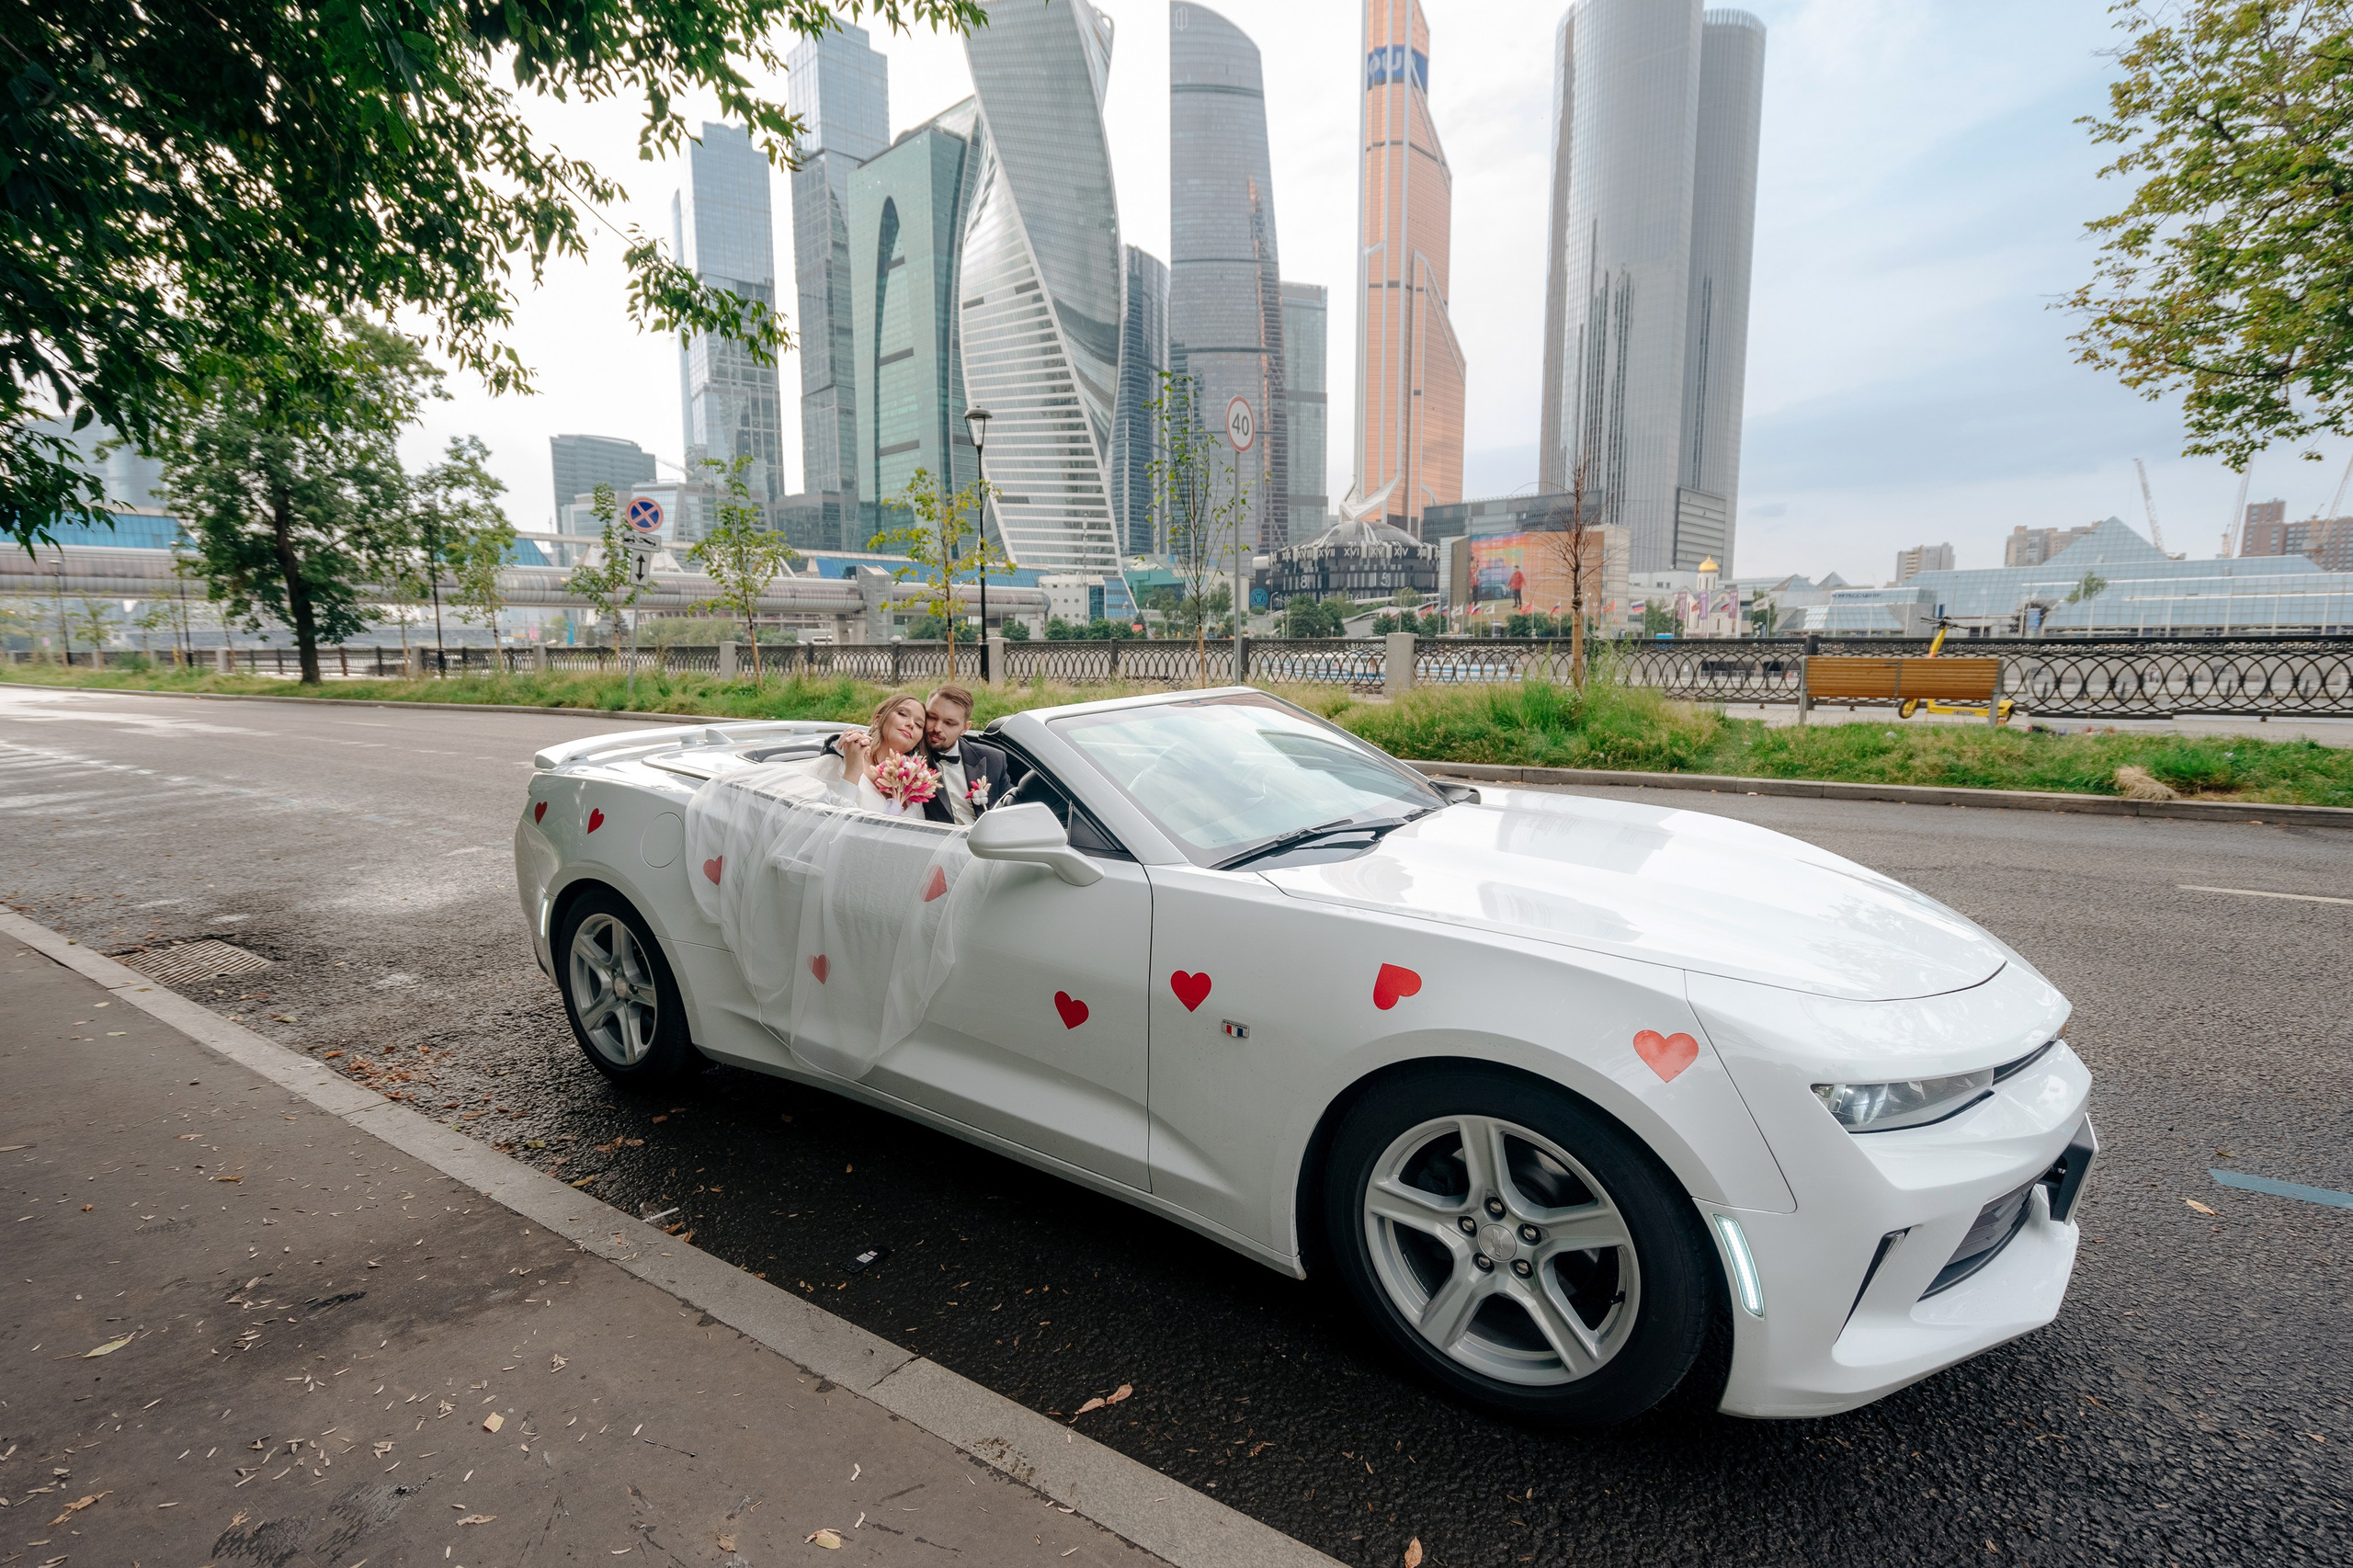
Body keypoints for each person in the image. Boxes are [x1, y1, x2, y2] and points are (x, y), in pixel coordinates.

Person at [917, 684, 1014, 826]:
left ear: (965, 728)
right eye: (931, 717)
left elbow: (1010, 812)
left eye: (949, 723)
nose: (937, 728)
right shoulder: (909, 758)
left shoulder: (993, 759)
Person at [834, 692, 933, 815]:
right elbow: (831, 823)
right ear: (878, 720)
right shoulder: (844, 762)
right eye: (902, 714)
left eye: (919, 725)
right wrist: (852, 772)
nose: (911, 724)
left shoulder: (916, 781)